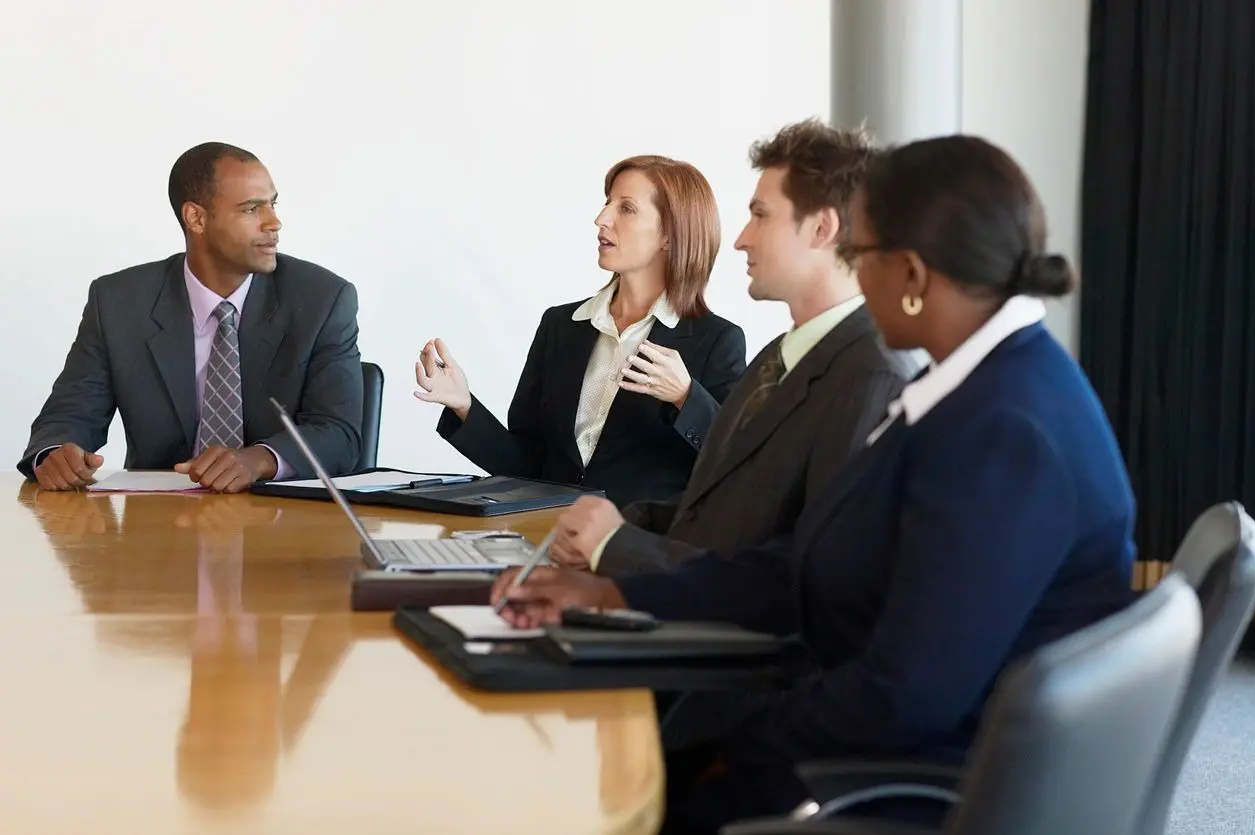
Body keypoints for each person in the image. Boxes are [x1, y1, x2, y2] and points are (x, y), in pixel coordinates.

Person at [490, 135, 1139, 833]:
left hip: (915, 785)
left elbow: (905, 691)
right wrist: (615, 587)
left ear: (913, 273)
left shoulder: (1005, 430)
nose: (853, 272)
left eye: (865, 254)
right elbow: (810, 564)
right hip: (882, 750)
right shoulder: (978, 392)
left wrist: (733, 753)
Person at [548, 120, 918, 576]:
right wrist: (613, 531)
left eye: (761, 215)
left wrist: (618, 550)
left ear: (822, 228)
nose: (742, 239)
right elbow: (723, 510)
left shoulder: (871, 376)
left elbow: (812, 575)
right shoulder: (778, 358)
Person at [18, 142, 364, 493]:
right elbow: (68, 415)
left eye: (272, 203)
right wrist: (56, 454)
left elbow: (340, 434)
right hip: (158, 526)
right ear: (196, 218)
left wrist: (257, 460)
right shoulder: (119, 302)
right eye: (251, 209)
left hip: (282, 522)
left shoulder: (322, 300)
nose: (274, 222)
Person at [413, 155, 746, 508]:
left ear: (669, 235)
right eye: (607, 203)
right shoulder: (560, 327)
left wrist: (685, 396)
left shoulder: (716, 341)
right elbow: (525, 467)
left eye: (627, 208)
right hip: (544, 538)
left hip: (635, 551)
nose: (601, 219)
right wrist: (464, 406)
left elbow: (737, 464)